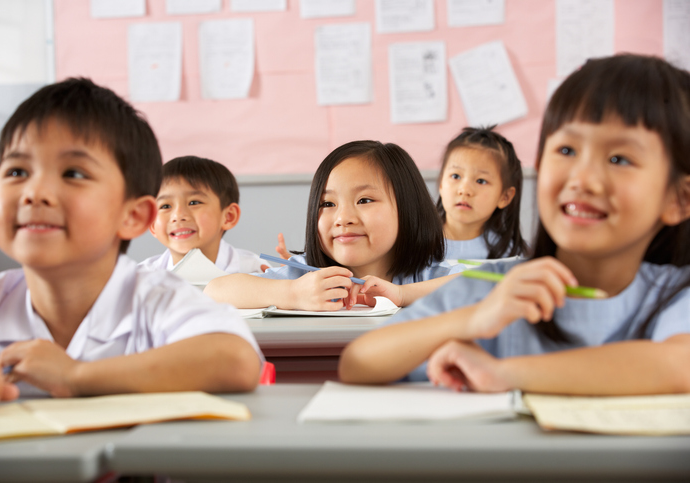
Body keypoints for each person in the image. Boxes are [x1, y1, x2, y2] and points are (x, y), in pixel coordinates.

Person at [338, 54, 690, 396]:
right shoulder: (494, 286)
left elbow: (678, 364)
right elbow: (357, 362)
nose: (583, 179)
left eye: (619, 158)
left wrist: (505, 373)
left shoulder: (676, 295)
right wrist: (475, 319)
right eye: (567, 151)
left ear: (679, 200)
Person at [0, 78, 263, 412]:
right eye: (18, 171)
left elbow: (236, 360)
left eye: (73, 174)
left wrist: (75, 376)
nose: (35, 192)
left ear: (134, 216)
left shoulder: (157, 300)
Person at [206, 140, 454, 311]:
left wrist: (401, 296)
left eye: (364, 200)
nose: (342, 218)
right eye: (327, 204)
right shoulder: (305, 276)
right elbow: (214, 291)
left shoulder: (426, 276)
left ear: (409, 208)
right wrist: (292, 294)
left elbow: (488, 283)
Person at [141, 156, 268, 274]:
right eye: (165, 206)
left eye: (194, 202)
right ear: (152, 224)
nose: (178, 215)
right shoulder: (139, 279)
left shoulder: (255, 270)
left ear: (229, 216)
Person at [437, 126, 527, 260]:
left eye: (481, 181)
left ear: (505, 197)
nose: (465, 190)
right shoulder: (412, 244)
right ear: (441, 184)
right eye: (455, 176)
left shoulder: (512, 255)